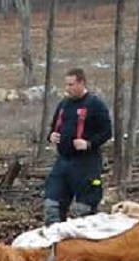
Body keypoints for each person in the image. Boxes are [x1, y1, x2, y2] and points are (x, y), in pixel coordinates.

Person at [43, 68, 113, 226]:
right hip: (63, 162)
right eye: (66, 85)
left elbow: (107, 132)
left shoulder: (96, 105)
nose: (67, 88)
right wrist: (51, 136)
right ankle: (54, 245)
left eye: (71, 84)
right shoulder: (63, 104)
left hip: (86, 164)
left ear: (81, 83)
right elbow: (53, 127)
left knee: (83, 212)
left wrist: (88, 144)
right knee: (51, 207)